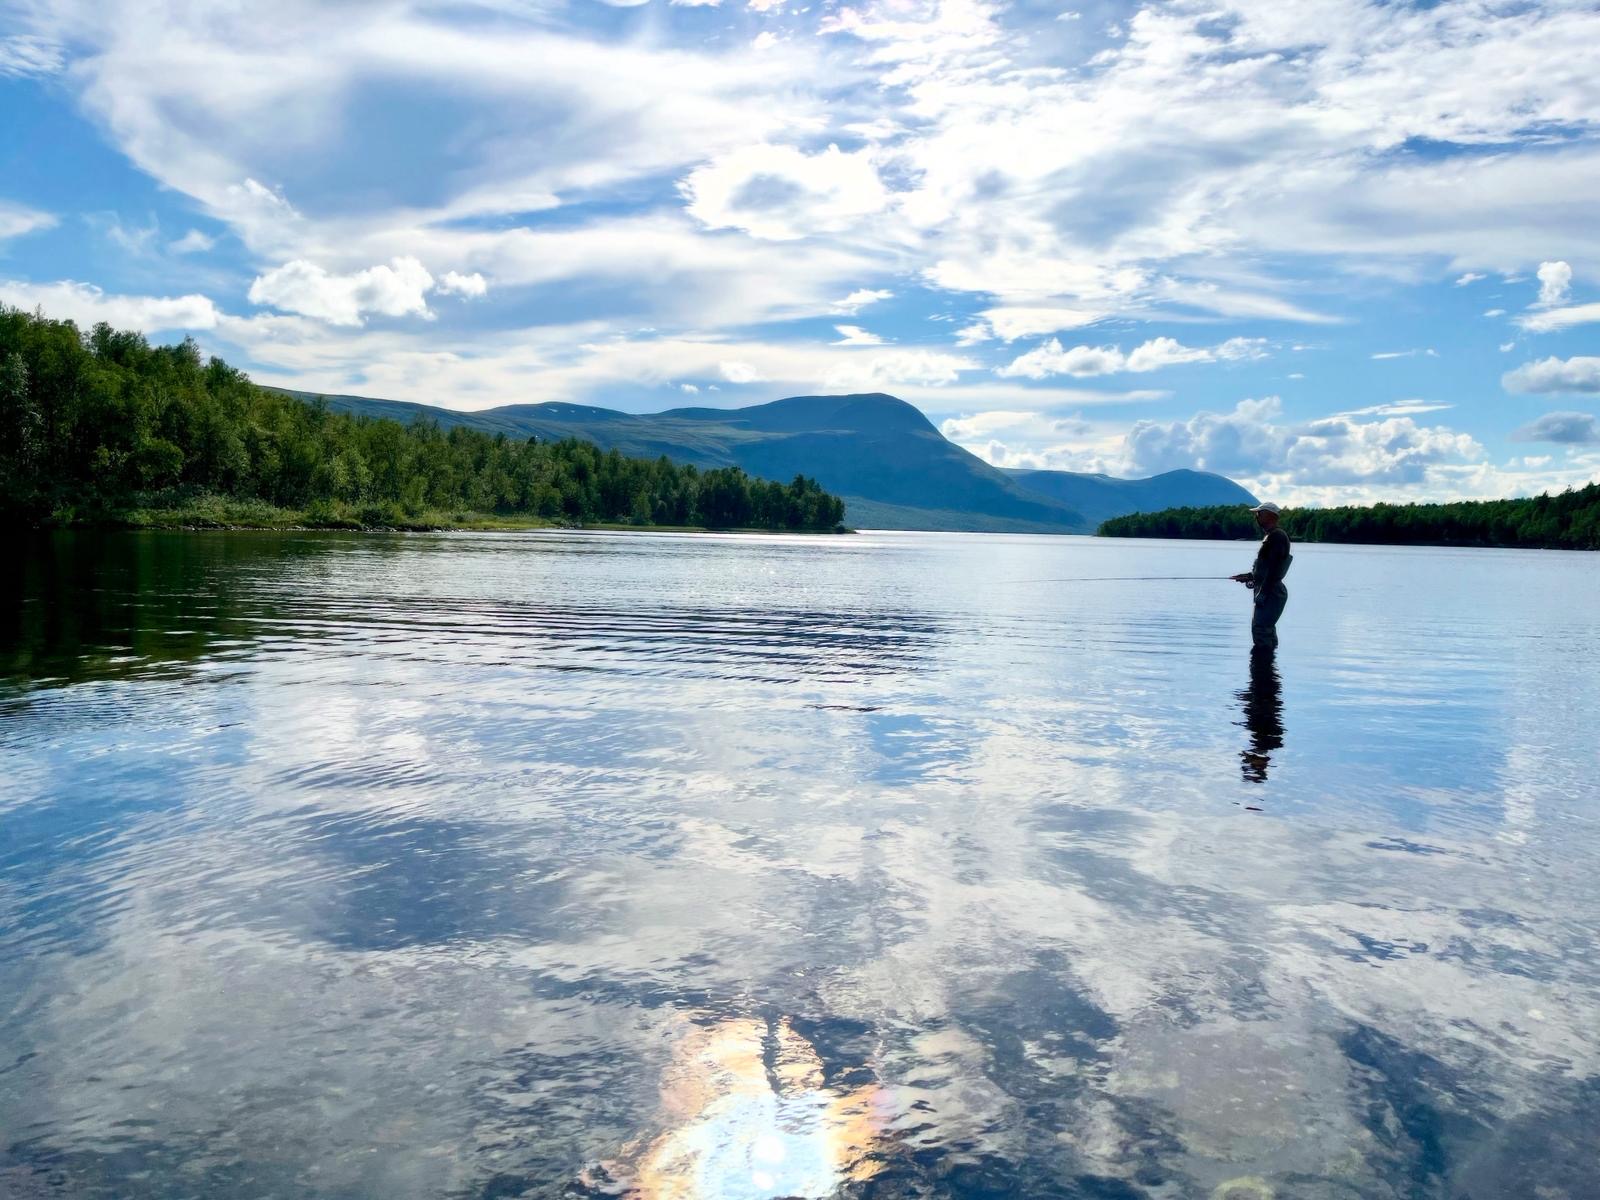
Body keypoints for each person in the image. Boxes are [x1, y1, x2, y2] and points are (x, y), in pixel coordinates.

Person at [1230, 502, 1292, 651]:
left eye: (1259, 514)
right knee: (1265, 629)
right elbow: (1266, 568)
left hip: (1271, 591)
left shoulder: (1276, 536)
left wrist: (1263, 592)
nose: (1256, 517)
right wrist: (1250, 576)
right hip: (1270, 589)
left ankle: (1264, 662)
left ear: (1270, 516)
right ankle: (1268, 662)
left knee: (1261, 629)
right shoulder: (1272, 535)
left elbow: (1274, 570)